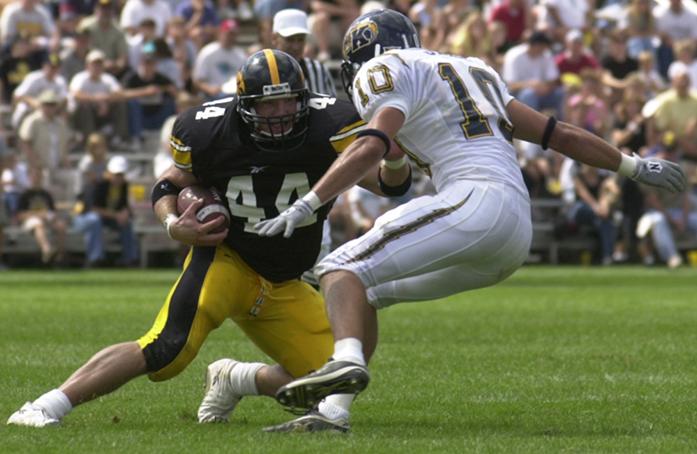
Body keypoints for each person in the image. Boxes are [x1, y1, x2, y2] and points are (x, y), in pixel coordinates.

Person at [255, 9, 687, 421]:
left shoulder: (383, 69)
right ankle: (333, 411)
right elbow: (558, 134)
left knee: (338, 268)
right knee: (362, 292)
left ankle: (345, 361)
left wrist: (308, 202)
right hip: (515, 231)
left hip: (473, 202)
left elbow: (371, 142)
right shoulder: (473, 69)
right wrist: (632, 166)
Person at [6, 49, 398, 433]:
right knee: (165, 350)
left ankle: (236, 379)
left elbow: (385, 182)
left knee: (336, 376)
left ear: (303, 98)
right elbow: (167, 185)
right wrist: (174, 224)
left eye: (287, 102)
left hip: (285, 281)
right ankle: (46, 405)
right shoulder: (210, 131)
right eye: (268, 105)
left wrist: (393, 155)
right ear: (244, 105)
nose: (280, 114)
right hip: (228, 261)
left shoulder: (327, 126)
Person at [271, 9, 336, 96]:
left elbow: (331, 105)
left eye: (300, 39)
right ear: (274, 38)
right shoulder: (262, 72)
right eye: (289, 40)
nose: (296, 46)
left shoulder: (318, 69)